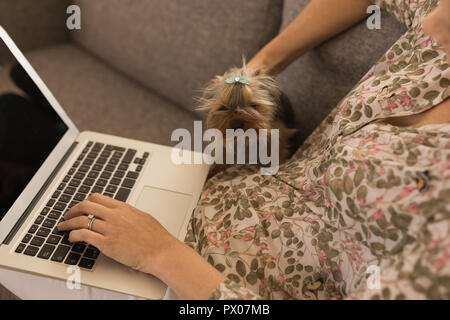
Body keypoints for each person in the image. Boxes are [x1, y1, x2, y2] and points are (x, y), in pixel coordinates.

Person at [1, 0, 449, 300]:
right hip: (206, 192)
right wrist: (259, 69)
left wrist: (160, 254)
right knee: (14, 121)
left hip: (186, 282)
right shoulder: (439, 42)